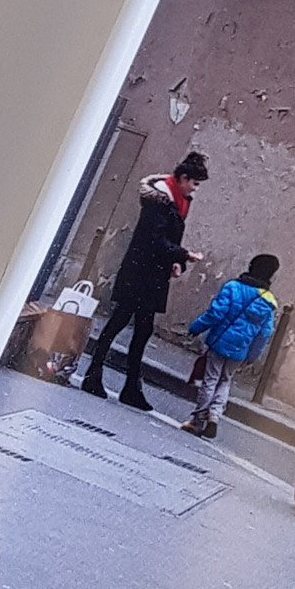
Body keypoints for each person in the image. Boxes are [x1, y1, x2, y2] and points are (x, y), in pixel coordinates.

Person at [80, 150, 208, 409]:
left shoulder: (179, 201)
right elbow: (154, 239)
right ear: (183, 178)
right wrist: (183, 254)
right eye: (194, 183)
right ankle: (96, 374)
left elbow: (169, 238)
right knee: (120, 322)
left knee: (141, 329)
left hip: (153, 274)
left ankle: (129, 386)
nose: (195, 189)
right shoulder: (159, 201)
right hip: (139, 272)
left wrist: (176, 262)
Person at [180, 254, 281, 438]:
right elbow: (264, 333)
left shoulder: (233, 287)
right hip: (241, 349)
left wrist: (196, 327)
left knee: (210, 380)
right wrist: (252, 356)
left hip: (220, 342)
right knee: (225, 381)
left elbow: (215, 314)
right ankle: (214, 416)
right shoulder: (268, 301)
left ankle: (198, 420)